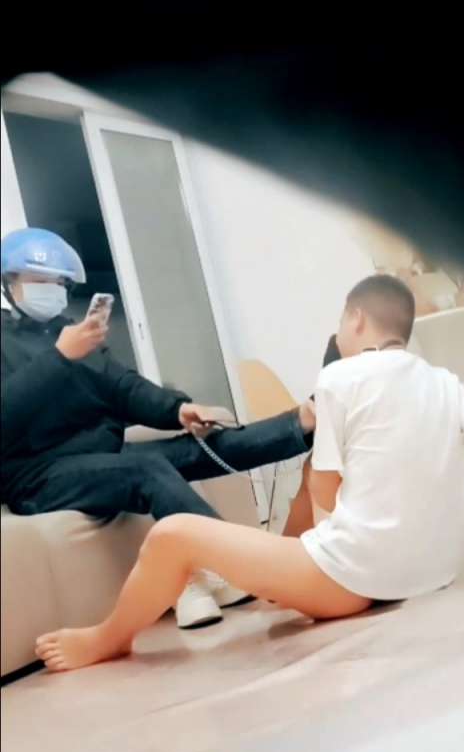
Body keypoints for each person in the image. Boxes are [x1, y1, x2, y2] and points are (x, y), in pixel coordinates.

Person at [35, 274, 464, 673]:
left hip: (352, 580)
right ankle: (286, 570)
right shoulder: (444, 381)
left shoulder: (339, 378)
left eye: (341, 322)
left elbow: (323, 488)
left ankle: (108, 638)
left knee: (172, 535)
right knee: (288, 545)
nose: (339, 332)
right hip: (431, 570)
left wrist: (312, 552)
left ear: (356, 319)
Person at [1, 228, 315, 629]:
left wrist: (178, 409)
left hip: (100, 456)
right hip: (36, 475)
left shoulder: (68, 332)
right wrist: (61, 357)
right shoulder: (45, 343)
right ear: (8, 282)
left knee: (202, 446)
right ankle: (246, 565)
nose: (54, 291)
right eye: (41, 281)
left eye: (60, 284)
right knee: (144, 469)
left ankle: (303, 421)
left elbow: (123, 387)